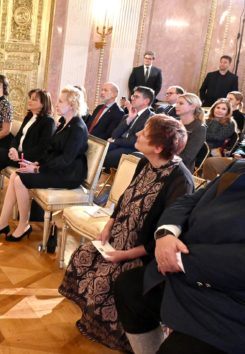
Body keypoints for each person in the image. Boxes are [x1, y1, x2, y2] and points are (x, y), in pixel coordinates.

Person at [113, 116, 245, 354]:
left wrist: (179, 259)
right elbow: (188, 202)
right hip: (189, 279)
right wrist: (166, 234)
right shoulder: (241, 167)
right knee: (129, 288)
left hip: (237, 303)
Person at [59, 115, 193, 352]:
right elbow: (124, 199)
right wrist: (109, 226)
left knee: (107, 279)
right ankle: (90, 321)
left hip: (140, 252)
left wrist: (125, 255)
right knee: (83, 256)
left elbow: (163, 236)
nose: (138, 133)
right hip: (118, 237)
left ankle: (117, 335)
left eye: (145, 132)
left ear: (158, 147)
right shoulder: (144, 162)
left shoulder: (179, 180)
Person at [0, 85, 88, 241]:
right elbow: (50, 151)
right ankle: (3, 223)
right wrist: (35, 163)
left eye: (60, 101)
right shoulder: (65, 122)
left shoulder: (78, 127)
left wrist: (37, 169)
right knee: (16, 176)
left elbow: (65, 160)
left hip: (68, 174)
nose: (56, 104)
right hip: (57, 168)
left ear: (71, 105)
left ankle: (23, 224)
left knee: (20, 179)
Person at [104, 86, 155, 169]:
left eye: (136, 97)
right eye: (133, 96)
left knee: (108, 157)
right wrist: (129, 118)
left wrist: (115, 141)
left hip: (133, 149)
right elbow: (114, 134)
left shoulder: (151, 119)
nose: (132, 99)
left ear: (146, 101)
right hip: (120, 144)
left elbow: (134, 141)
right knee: (99, 151)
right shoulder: (128, 115)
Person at [175, 93, 207, 170]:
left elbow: (187, 157)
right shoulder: (174, 122)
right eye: (177, 103)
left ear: (192, 107)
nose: (176, 105)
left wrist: (163, 158)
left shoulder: (199, 128)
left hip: (181, 168)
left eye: (181, 103)